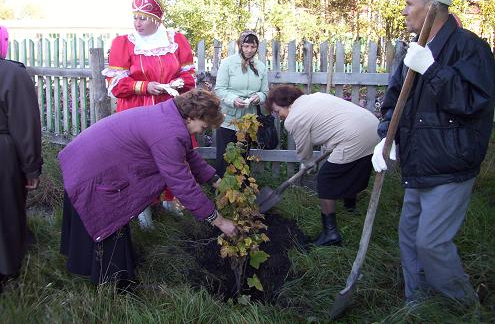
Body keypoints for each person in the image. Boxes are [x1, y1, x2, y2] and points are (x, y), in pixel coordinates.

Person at [372, 0, 495, 305]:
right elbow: (394, 99)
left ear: (432, 7)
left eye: (410, 3)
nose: (405, 9)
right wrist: (386, 138)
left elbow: (474, 103)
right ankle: (419, 303)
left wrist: (433, 70)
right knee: (409, 239)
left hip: (450, 164)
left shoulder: (470, 48)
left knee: (432, 243)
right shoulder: (413, 50)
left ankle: (464, 305)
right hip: (418, 163)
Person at [59, 89, 237, 289]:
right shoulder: (169, 132)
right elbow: (183, 185)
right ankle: (113, 285)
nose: (201, 132)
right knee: (107, 218)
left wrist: (218, 182)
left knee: (112, 219)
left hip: (88, 162)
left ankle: (109, 273)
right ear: (193, 116)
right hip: (91, 172)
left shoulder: (170, 117)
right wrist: (220, 221)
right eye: (203, 127)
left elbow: (188, 155)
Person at [102, 0, 197, 228]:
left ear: (156, 19)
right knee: (140, 161)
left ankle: (170, 200)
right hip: (136, 113)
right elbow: (115, 85)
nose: (137, 23)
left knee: (173, 156)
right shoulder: (123, 43)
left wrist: (177, 83)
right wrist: (145, 86)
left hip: (171, 110)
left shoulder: (176, 41)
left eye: (142, 18)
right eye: (135, 17)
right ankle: (142, 207)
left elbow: (188, 75)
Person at [266, 85, 380, 246]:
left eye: (278, 112)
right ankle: (350, 208)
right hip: (374, 129)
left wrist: (307, 161)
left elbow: (303, 147)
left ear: (285, 102)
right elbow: (332, 122)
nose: (280, 116)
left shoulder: (294, 118)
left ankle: (331, 234)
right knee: (354, 167)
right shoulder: (315, 97)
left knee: (326, 179)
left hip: (354, 137)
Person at [0, 25, 42, 290]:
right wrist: (31, 169)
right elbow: (25, 125)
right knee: (6, 211)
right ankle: (6, 269)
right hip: (3, 154)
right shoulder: (12, 74)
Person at [214, 30, 269, 176]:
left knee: (244, 157)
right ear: (240, 45)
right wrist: (233, 100)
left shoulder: (261, 66)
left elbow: (265, 92)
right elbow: (219, 89)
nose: (249, 50)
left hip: (248, 121)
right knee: (225, 156)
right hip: (228, 119)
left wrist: (258, 97)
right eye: (246, 46)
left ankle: (243, 190)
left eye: (253, 46)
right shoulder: (228, 63)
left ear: (257, 47)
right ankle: (222, 191)